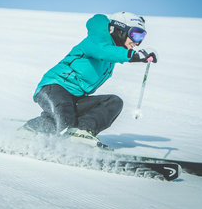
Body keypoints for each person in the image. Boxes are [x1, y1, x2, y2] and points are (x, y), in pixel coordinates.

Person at [20, 12, 158, 147]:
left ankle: (80, 132)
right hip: (53, 88)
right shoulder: (97, 40)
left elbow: (110, 53)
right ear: (120, 30)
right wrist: (133, 55)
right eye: (135, 34)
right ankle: (39, 133)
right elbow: (102, 50)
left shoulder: (111, 53)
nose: (137, 41)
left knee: (113, 102)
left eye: (142, 36)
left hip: (76, 97)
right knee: (65, 119)